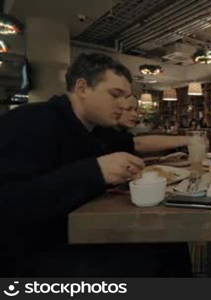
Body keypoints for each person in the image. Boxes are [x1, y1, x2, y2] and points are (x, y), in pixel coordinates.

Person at [0, 53, 191, 277]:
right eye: (115, 95)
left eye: (127, 96)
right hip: (33, 253)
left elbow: (134, 144)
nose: (124, 104)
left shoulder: (98, 130)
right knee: (152, 257)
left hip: (83, 232)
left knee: (171, 240)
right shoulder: (31, 122)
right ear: (82, 88)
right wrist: (94, 171)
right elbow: (9, 202)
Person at [93, 95, 189, 154]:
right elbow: (138, 143)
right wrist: (191, 139)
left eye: (135, 110)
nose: (135, 114)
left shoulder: (121, 131)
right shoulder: (102, 131)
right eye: (129, 109)